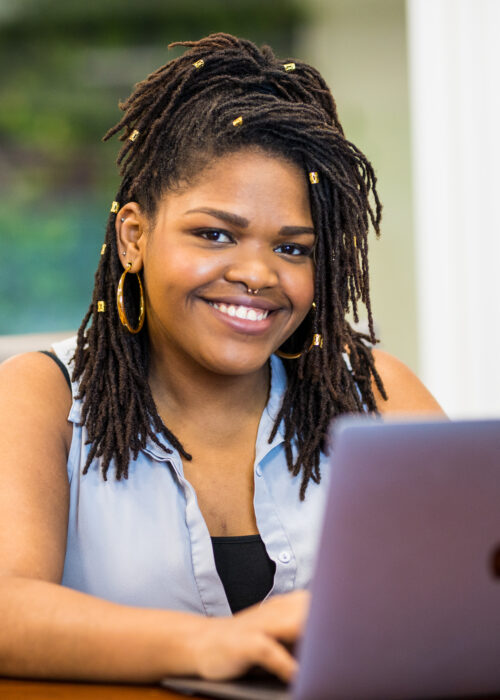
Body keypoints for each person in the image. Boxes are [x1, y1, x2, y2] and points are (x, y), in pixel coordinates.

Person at [0, 33, 443, 685]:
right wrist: (209, 644)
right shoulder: (46, 395)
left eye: (293, 249)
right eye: (214, 234)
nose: (257, 274)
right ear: (134, 236)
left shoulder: (372, 391)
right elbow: (8, 611)